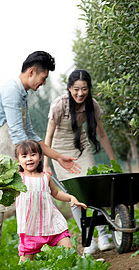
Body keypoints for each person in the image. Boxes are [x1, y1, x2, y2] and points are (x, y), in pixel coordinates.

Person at [0, 51, 82, 270]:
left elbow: (31, 136)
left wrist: (58, 157)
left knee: (28, 209)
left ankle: (33, 251)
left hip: (12, 160)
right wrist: (29, 166)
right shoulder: (10, 91)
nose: (43, 84)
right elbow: (17, 135)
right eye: (43, 79)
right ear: (32, 71)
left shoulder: (22, 95)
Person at [44, 69, 115, 255]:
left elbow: (102, 133)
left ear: (89, 89)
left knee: (94, 188)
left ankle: (103, 235)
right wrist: (46, 163)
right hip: (60, 152)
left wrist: (113, 160)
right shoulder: (60, 105)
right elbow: (48, 136)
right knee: (73, 196)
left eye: (84, 89)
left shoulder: (92, 104)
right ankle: (89, 240)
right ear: (69, 88)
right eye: (76, 89)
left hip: (81, 148)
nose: (80, 93)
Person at [15, 139, 87, 263]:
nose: (29, 159)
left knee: (70, 255)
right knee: (25, 265)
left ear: (40, 156)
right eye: (24, 156)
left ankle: (84, 265)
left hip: (52, 223)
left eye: (33, 155)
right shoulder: (17, 179)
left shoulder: (46, 177)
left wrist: (71, 198)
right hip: (30, 229)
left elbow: (56, 193)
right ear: (18, 160)